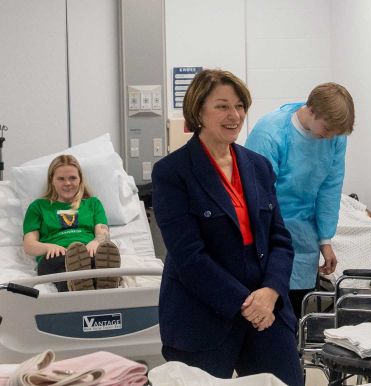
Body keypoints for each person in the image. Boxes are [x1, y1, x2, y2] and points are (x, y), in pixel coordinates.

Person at [151, 69, 301, 385]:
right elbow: (188, 256)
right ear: (198, 110)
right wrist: (246, 303)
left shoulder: (257, 166)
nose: (234, 115)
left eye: (240, 106)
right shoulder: (172, 172)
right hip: (203, 311)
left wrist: (271, 292)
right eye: (222, 106)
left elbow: (280, 238)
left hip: (266, 306)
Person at [244, 82, 354, 320]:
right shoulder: (270, 133)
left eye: (336, 134)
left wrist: (325, 239)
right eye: (327, 129)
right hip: (267, 231)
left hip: (304, 235)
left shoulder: (334, 137)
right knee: (267, 314)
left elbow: (330, 187)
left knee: (296, 314)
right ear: (311, 110)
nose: (330, 137)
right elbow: (257, 196)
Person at [22, 154, 120, 292]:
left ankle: (101, 281)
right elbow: (29, 245)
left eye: (72, 178)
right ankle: (79, 285)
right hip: (56, 256)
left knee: (96, 259)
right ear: (52, 180)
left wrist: (96, 242)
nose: (67, 183)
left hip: (88, 251)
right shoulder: (38, 206)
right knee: (64, 267)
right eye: (61, 179)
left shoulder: (93, 203)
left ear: (80, 180)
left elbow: (102, 232)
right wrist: (48, 247)